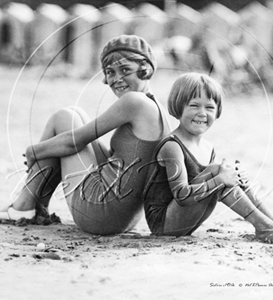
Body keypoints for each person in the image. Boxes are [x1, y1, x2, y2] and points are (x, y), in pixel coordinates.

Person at [0, 35, 170, 235]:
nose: (117, 79)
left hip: (100, 214)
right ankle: (34, 206)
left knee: (63, 118)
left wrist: (33, 151)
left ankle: (25, 205)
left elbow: (73, 143)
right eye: (110, 72)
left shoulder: (134, 102)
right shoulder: (154, 105)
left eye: (125, 70)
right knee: (75, 114)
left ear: (145, 69)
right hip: (125, 216)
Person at [142, 72, 273, 244]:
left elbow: (212, 186)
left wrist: (237, 180)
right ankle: (265, 228)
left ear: (217, 112)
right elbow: (181, 195)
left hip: (187, 220)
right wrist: (220, 179)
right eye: (194, 105)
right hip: (165, 225)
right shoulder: (172, 146)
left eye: (209, 107)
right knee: (219, 172)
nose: (202, 113)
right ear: (178, 107)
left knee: (225, 172)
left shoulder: (208, 147)